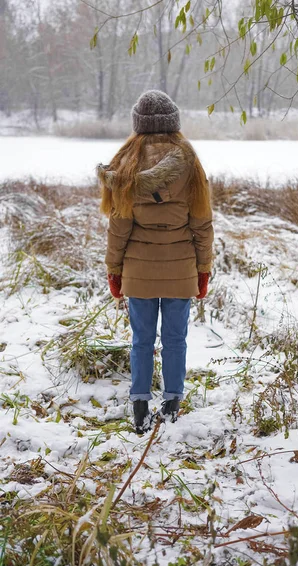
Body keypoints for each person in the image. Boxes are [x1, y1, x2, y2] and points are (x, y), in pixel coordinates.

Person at [97, 90, 214, 434]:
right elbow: (201, 223)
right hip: (181, 269)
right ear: (173, 123)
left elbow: (118, 226)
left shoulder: (124, 164)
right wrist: (203, 268)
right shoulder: (189, 161)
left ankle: (139, 408)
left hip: (138, 269)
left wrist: (114, 269)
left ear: (139, 125)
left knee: (141, 340)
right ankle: (172, 403)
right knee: (176, 339)